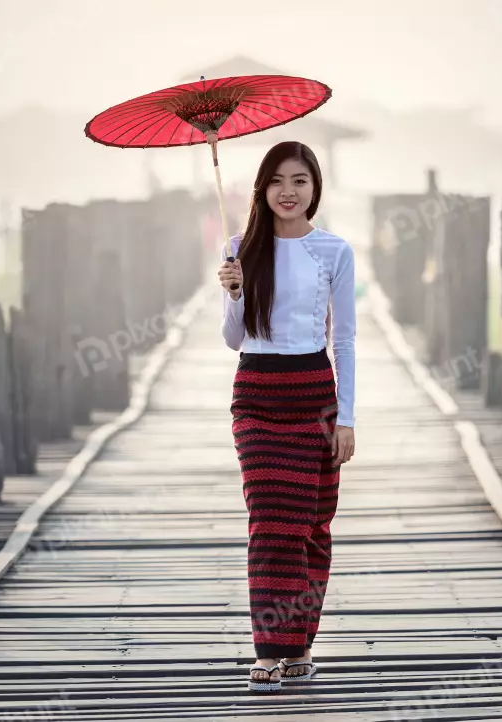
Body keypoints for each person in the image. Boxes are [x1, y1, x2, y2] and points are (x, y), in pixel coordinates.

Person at [216, 141, 356, 693]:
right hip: (256, 396)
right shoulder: (239, 249)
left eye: (299, 180)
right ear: (261, 189)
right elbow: (233, 339)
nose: (288, 191)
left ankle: (298, 646)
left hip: (314, 395)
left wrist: (346, 417)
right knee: (272, 522)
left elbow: (342, 339)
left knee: (312, 527)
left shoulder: (335, 252)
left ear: (315, 187)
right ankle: (270, 649)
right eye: (277, 181)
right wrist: (233, 293)